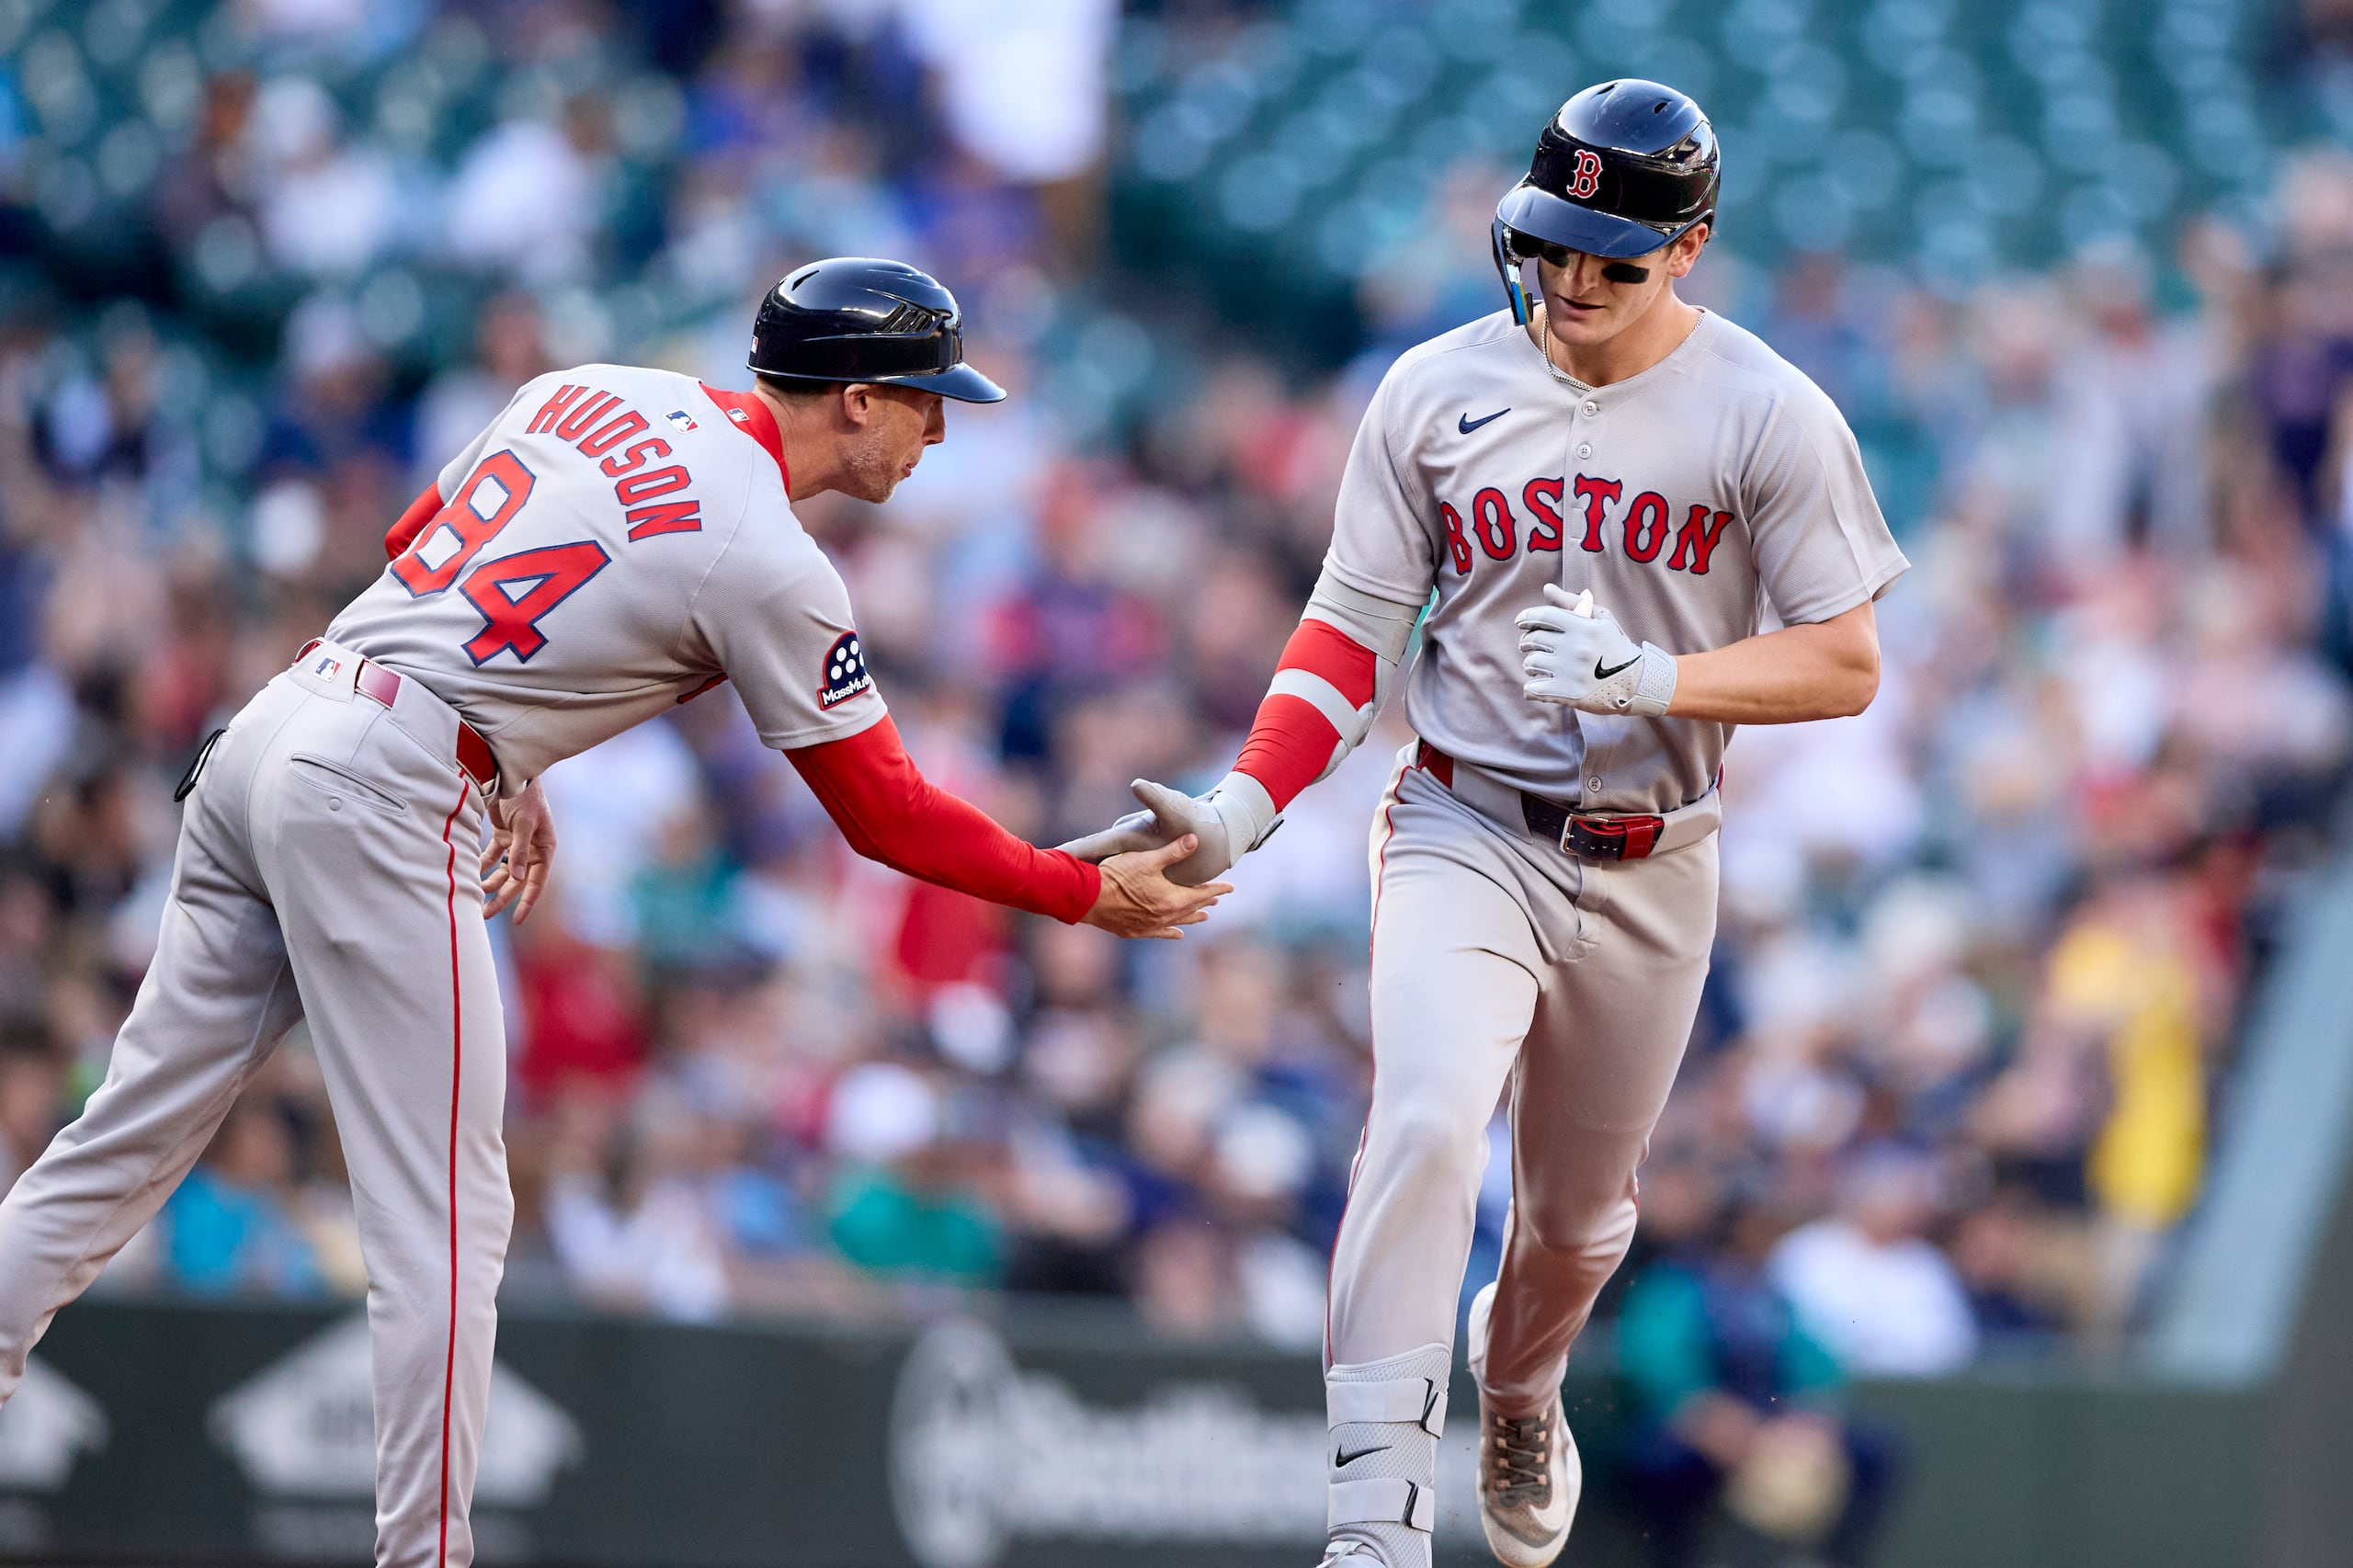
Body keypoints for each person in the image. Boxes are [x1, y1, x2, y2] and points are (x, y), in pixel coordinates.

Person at [0, 257, 1224, 1568]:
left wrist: (503, 750)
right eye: (928, 401)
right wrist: (1082, 889)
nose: (940, 430)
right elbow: (887, 815)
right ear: (856, 400)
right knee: (449, 1223)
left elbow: (424, 543)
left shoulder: (590, 386)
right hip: (386, 790)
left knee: (117, 1141)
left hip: (284, 724)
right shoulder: (768, 552)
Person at [1064, 83, 1906, 1568]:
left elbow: (1845, 658)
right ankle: (1374, 1525)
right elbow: (1350, 630)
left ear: (1692, 247)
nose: (1575, 282)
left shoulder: (1769, 409)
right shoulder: (1431, 390)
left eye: (1615, 258)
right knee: (1429, 1122)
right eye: (1553, 244)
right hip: (1467, 819)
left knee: (1581, 1224)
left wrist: (1661, 675)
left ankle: (1521, 1380)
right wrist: (1246, 802)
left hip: (1660, 855)